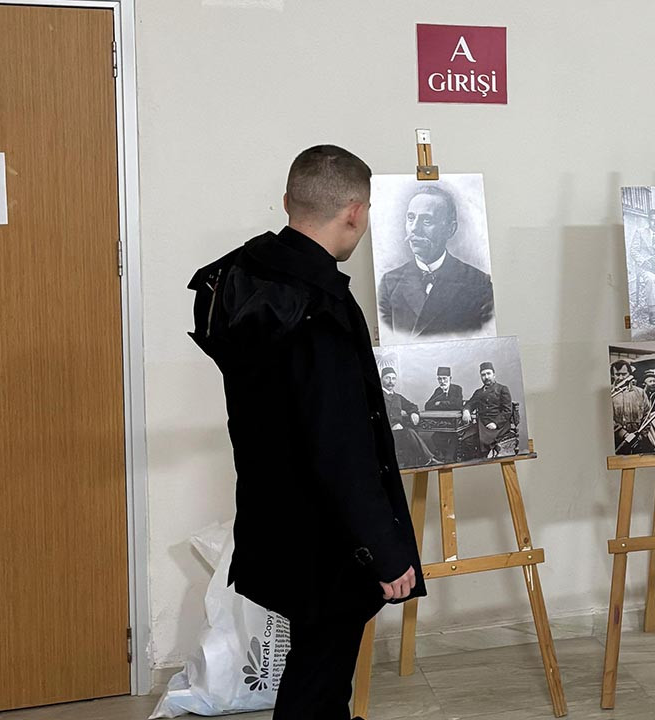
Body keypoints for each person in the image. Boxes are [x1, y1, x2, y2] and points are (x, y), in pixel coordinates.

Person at [187, 145, 424, 720]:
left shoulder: (240, 281)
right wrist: (386, 550)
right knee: (319, 679)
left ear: (289, 201)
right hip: (329, 535)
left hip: (275, 517)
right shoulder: (318, 308)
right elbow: (340, 445)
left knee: (315, 667)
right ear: (354, 212)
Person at [377, 184, 495, 341]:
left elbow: (484, 340)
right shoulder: (389, 283)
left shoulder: (478, 283)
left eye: (427, 221)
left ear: (450, 229)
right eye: (411, 218)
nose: (414, 229)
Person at [380, 366, 435, 468]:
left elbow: (411, 406)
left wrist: (413, 413)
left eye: (393, 378)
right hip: (384, 433)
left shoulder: (397, 397)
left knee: (411, 434)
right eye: (387, 378)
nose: (391, 381)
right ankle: (428, 459)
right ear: (381, 379)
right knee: (410, 433)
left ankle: (417, 463)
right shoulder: (377, 396)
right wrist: (391, 426)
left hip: (399, 433)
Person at [466, 361, 514, 457]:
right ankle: (476, 459)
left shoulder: (502, 389)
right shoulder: (478, 392)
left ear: (494, 375)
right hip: (482, 423)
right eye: (483, 375)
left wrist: (496, 423)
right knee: (466, 438)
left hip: (498, 424)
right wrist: (466, 410)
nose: (486, 377)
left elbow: (507, 410)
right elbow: (470, 404)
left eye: (489, 374)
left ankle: (483, 458)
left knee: (483, 440)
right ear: (481, 377)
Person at [424, 366, 465, 463]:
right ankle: (442, 458)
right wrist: (443, 398)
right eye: (439, 379)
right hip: (442, 423)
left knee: (454, 436)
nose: (442, 381)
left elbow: (457, 404)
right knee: (435, 438)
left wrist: (440, 403)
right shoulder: (438, 391)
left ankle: (449, 459)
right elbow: (428, 405)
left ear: (450, 378)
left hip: (455, 423)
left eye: (444, 379)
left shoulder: (457, 389)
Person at [611, 360, 650, 452]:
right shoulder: (610, 394)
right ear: (612, 375)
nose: (621, 377)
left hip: (639, 441)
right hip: (618, 442)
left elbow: (647, 414)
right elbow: (606, 418)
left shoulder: (640, 392)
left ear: (630, 374)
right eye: (617, 374)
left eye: (624, 374)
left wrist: (641, 435)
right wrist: (623, 434)